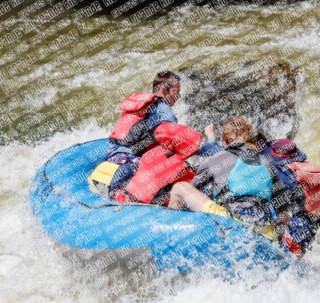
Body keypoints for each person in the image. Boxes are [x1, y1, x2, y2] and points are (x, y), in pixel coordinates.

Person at [89, 71, 221, 205]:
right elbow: (179, 142)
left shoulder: (145, 104)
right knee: (170, 166)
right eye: (175, 92)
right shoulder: (163, 110)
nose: (178, 96)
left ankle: (113, 191)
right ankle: (117, 196)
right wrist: (212, 143)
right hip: (129, 161)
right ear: (164, 90)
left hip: (113, 154)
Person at [168, 117, 290, 242]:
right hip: (265, 232)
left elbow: (191, 194)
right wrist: (278, 240)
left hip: (231, 223)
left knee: (180, 188)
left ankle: (170, 232)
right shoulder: (268, 165)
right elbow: (284, 211)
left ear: (225, 141)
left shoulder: (215, 159)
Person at [259, 138, 320, 258]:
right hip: (316, 216)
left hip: (302, 219)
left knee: (295, 252)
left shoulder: (291, 176)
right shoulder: (306, 166)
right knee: (304, 244)